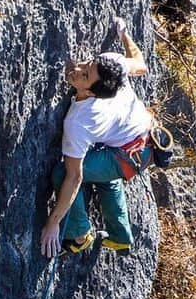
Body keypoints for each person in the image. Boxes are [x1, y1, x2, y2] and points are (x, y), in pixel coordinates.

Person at [39, 18, 155, 258]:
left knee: (62, 173)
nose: (78, 69)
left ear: (91, 91)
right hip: (145, 141)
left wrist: (53, 223)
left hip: (126, 155)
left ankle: (80, 235)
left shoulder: (79, 122)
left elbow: (74, 177)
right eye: (86, 65)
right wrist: (124, 36)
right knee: (104, 174)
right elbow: (141, 65)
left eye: (85, 75)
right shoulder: (110, 64)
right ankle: (121, 237)